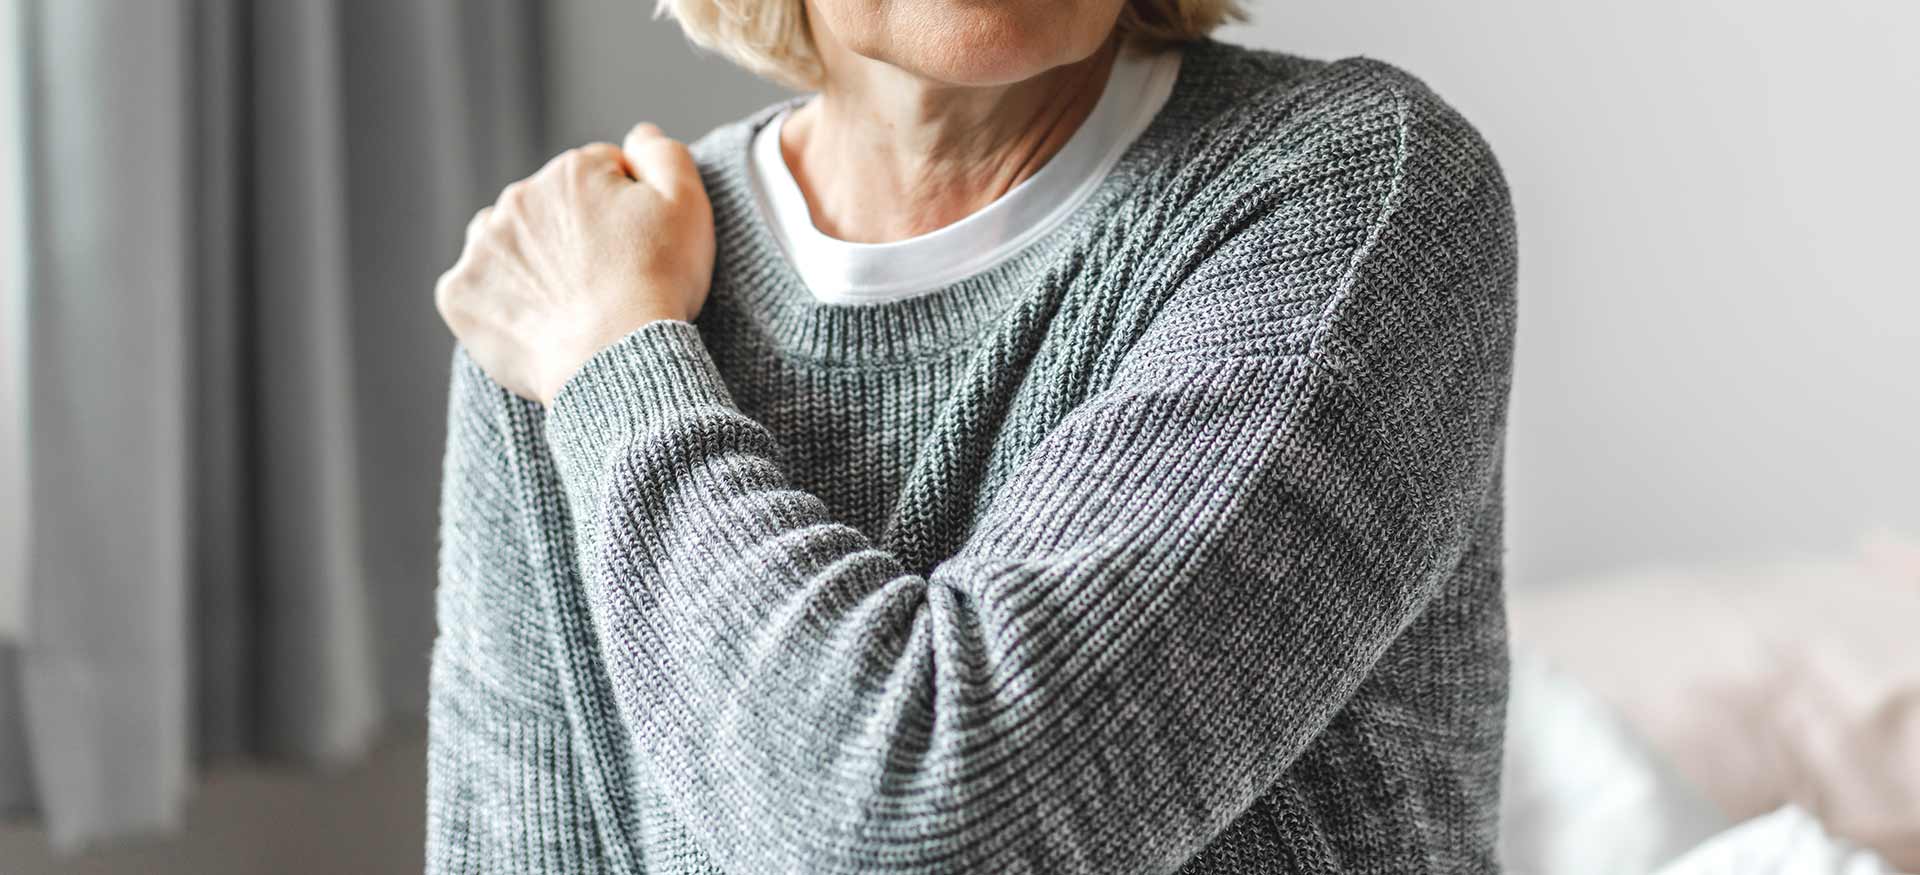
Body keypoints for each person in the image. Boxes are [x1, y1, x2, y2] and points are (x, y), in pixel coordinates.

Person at [427, 0, 1518, 871]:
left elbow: (930, 821)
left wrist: (620, 368)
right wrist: (609, 339)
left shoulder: (1356, 186)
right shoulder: (574, 277)